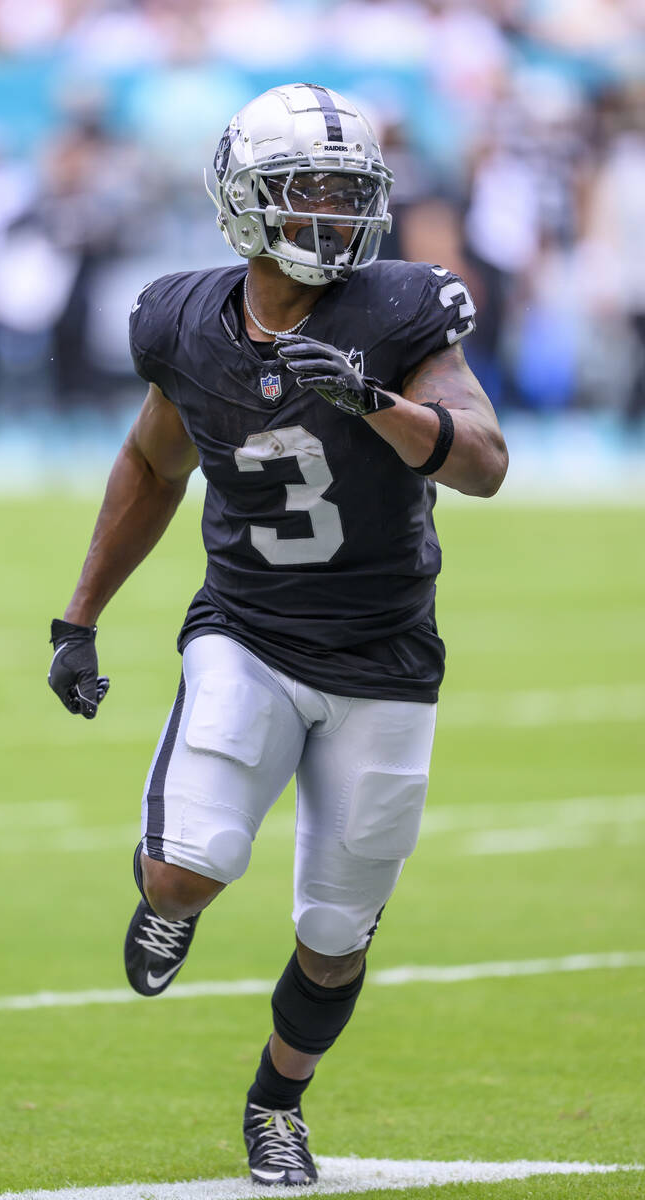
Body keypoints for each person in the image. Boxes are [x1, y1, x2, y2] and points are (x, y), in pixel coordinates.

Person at [48, 82, 508, 1187]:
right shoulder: (181, 320)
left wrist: (372, 405)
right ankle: (167, 907)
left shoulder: (397, 312)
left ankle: (274, 1103)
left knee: (336, 930)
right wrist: (79, 618)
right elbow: (153, 463)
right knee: (184, 870)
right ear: (241, 199)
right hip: (247, 630)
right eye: (305, 190)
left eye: (348, 192)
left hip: (385, 656)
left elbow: (484, 460)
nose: (330, 214)